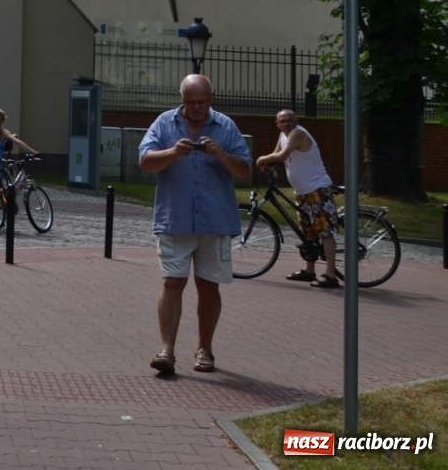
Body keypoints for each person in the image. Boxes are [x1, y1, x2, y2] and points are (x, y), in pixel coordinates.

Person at [138, 74, 251, 374]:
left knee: (208, 286)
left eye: (202, 102)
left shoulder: (225, 126)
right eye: (190, 102)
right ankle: (166, 351)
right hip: (175, 219)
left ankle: (205, 350)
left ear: (211, 98)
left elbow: (244, 170)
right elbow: (146, 161)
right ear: (181, 98)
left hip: (214, 221)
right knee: (172, 283)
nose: (197, 108)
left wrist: (220, 154)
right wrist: (173, 152)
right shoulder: (164, 123)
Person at [255, 108, 339, 287]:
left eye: (290, 120)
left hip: (317, 188)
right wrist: (269, 166)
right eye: (282, 121)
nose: (286, 123)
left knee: (324, 232)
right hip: (302, 191)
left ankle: (331, 274)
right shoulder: (283, 136)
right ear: (277, 124)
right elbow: (278, 156)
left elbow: (282, 155)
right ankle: (309, 271)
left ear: (296, 121)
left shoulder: (297, 133)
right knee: (307, 232)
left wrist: (261, 159)